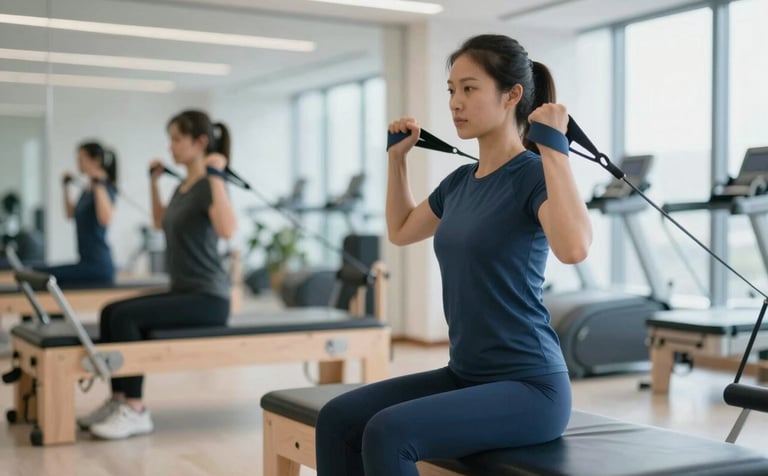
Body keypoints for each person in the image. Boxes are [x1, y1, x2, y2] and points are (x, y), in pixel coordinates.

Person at [315, 34, 593, 475]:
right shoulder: (461, 182)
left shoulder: (534, 175)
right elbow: (402, 230)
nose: (454, 102)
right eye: (451, 90)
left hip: (530, 385)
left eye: (469, 88)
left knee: (389, 431)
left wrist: (553, 147)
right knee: (337, 419)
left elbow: (574, 248)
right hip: (465, 374)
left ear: (512, 95)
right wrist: (397, 161)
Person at [80, 110, 237, 440]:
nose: (171, 147)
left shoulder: (210, 185)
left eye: (177, 139)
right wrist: (154, 184)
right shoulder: (185, 186)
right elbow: (158, 222)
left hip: (208, 298)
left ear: (200, 142)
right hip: (183, 291)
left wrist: (217, 175)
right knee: (111, 311)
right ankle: (119, 399)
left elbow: (227, 230)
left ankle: (135, 409)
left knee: (126, 319)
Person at [37, 142, 118, 285]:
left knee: (38, 276)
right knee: (35, 273)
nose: (78, 162)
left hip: (98, 266)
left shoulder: (104, 187)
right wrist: (66, 188)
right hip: (85, 262)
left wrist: (99, 183)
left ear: (97, 160)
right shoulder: (88, 189)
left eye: (81, 158)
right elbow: (70, 214)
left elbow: (106, 219)